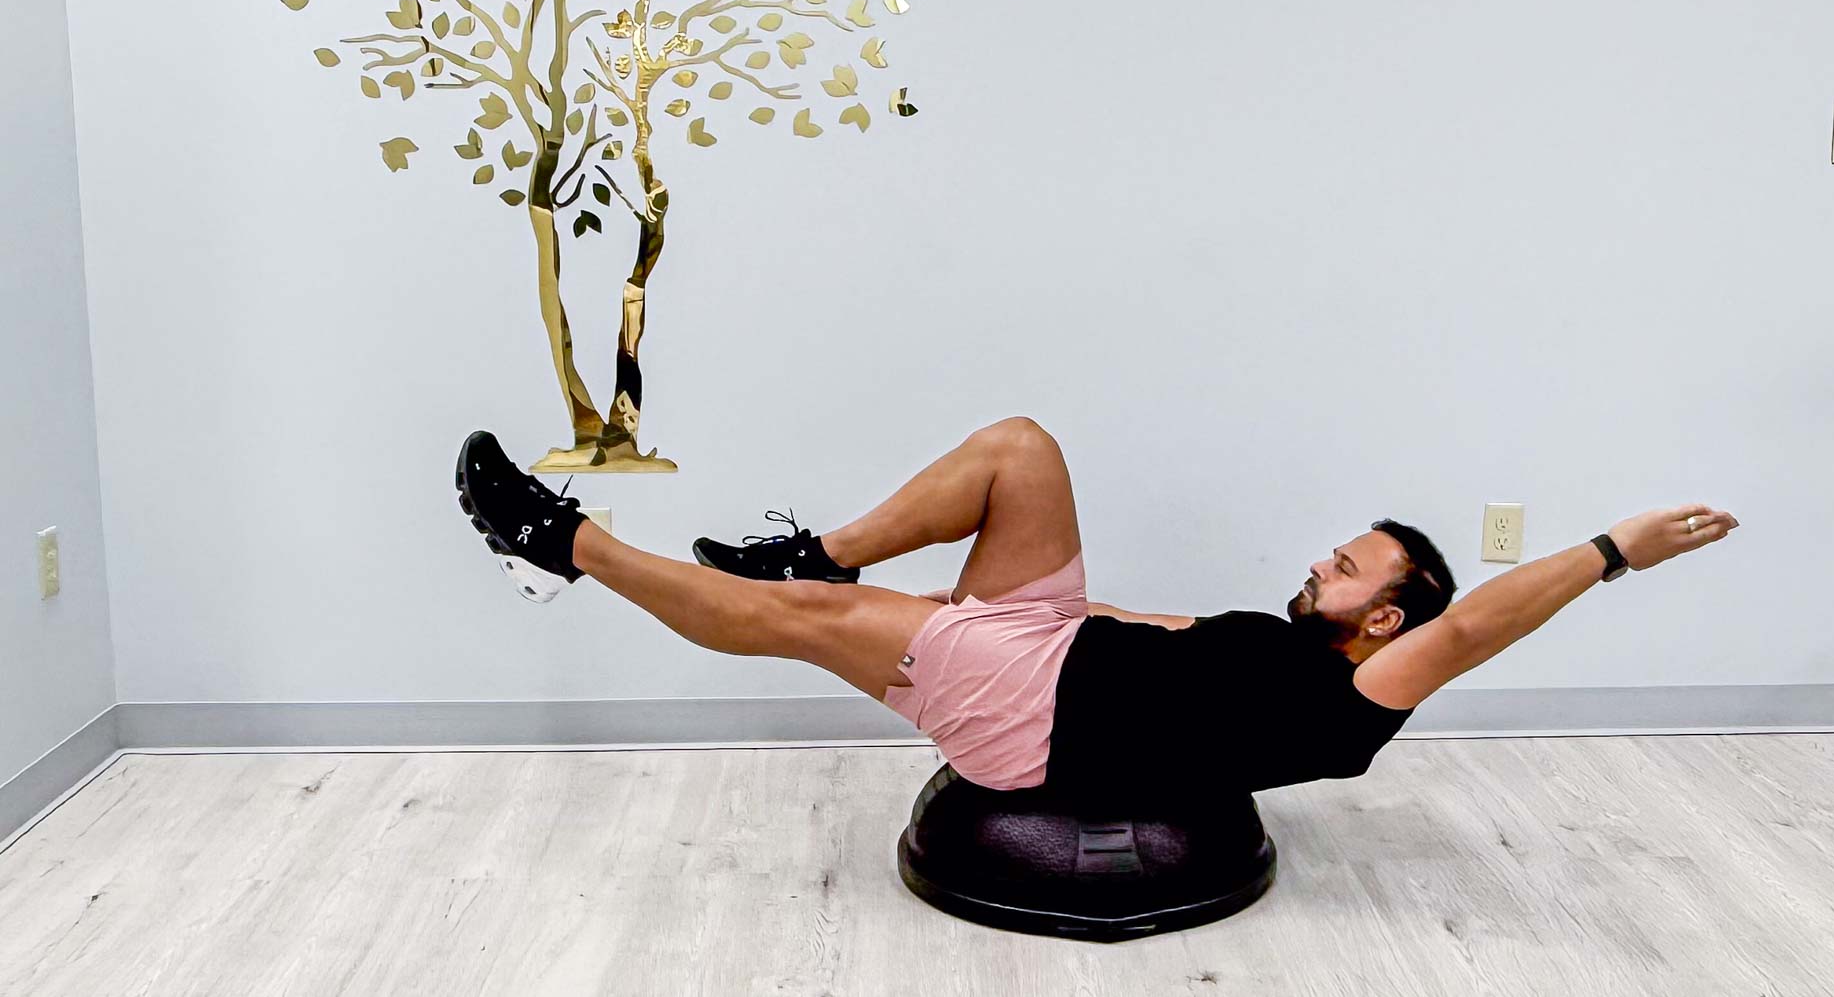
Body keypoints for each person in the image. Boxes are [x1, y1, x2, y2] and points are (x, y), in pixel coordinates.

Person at [454, 418, 1738, 801]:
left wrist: (1611, 553)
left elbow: (1474, 626)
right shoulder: (1274, 648)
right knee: (1023, 448)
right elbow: (1165, 642)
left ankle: (558, 542)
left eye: (1347, 570)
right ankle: (822, 555)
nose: (1322, 566)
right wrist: (1051, 605)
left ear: (1382, 624)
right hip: (1055, 649)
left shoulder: (1358, 696)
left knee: (783, 622)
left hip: (1036, 718)